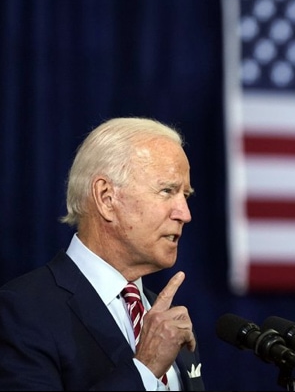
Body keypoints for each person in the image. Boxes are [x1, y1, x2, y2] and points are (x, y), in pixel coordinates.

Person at [0, 117, 205, 391]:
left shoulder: (164, 318)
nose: (185, 214)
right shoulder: (22, 310)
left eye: (186, 196)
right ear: (106, 198)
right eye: (167, 191)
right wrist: (145, 368)